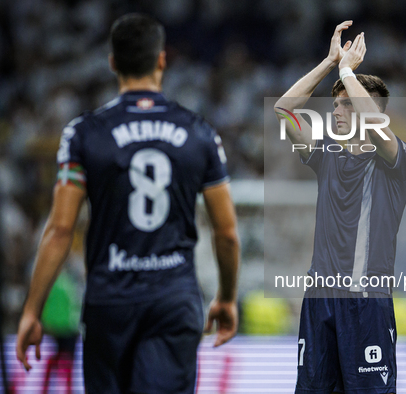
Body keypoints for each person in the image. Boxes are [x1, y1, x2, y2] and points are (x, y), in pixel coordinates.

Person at [16, 13, 240, 394]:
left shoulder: (84, 134)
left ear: (112, 63)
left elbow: (59, 230)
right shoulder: (199, 132)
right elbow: (227, 233)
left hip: (110, 301)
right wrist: (227, 298)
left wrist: (32, 310)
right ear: (162, 60)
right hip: (174, 298)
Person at [274, 21, 406, 393]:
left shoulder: (395, 158)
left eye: (346, 104)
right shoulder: (326, 154)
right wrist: (330, 62)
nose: (336, 111)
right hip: (320, 300)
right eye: (335, 104)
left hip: (366, 302)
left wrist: (349, 72)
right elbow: (284, 111)